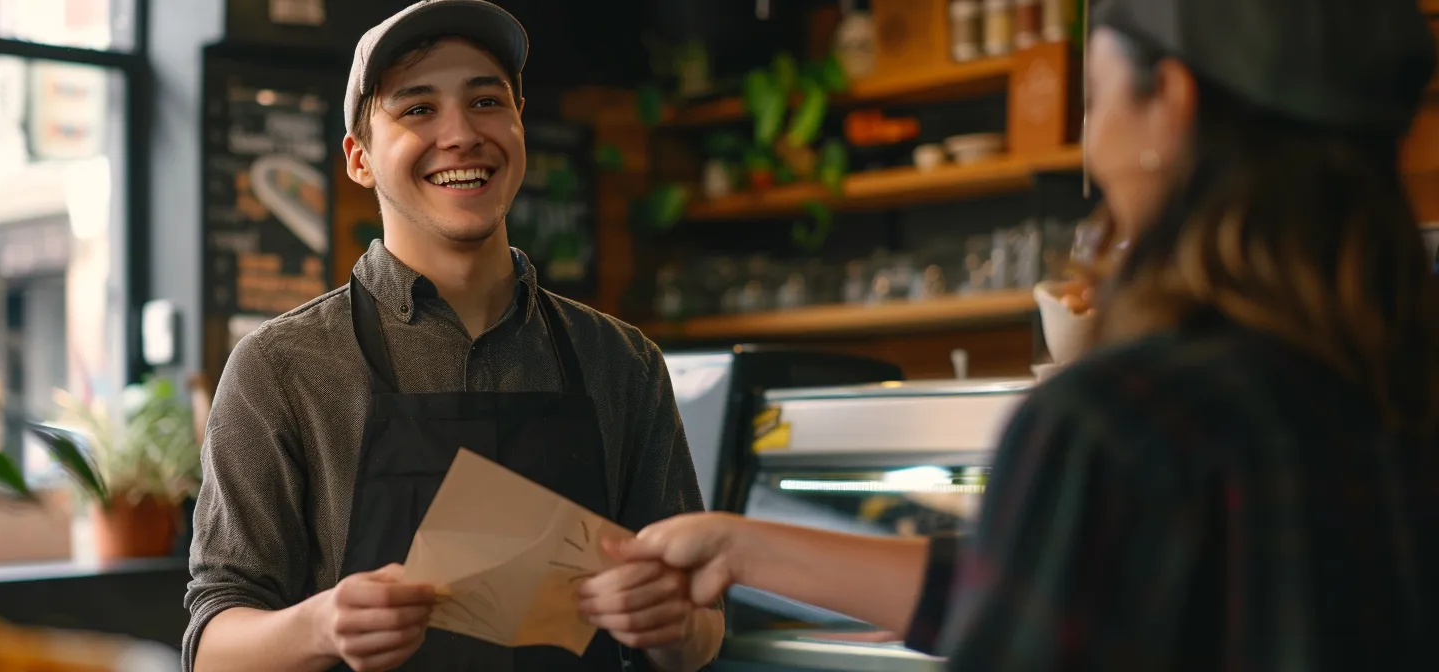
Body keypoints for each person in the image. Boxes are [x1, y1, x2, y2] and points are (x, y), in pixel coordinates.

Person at [609, 0, 1439, 669]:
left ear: (1172, 107)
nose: (1093, 138)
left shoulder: (1127, 416)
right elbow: (1058, 591)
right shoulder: (1397, 386)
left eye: (1096, 96)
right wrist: (746, 548)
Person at [182, 2, 724, 671]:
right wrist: (321, 626)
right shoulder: (281, 368)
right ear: (359, 159)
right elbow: (212, 647)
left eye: (487, 101)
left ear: (520, 126)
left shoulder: (621, 362)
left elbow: (700, 630)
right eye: (416, 110)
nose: (461, 134)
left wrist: (672, 624)